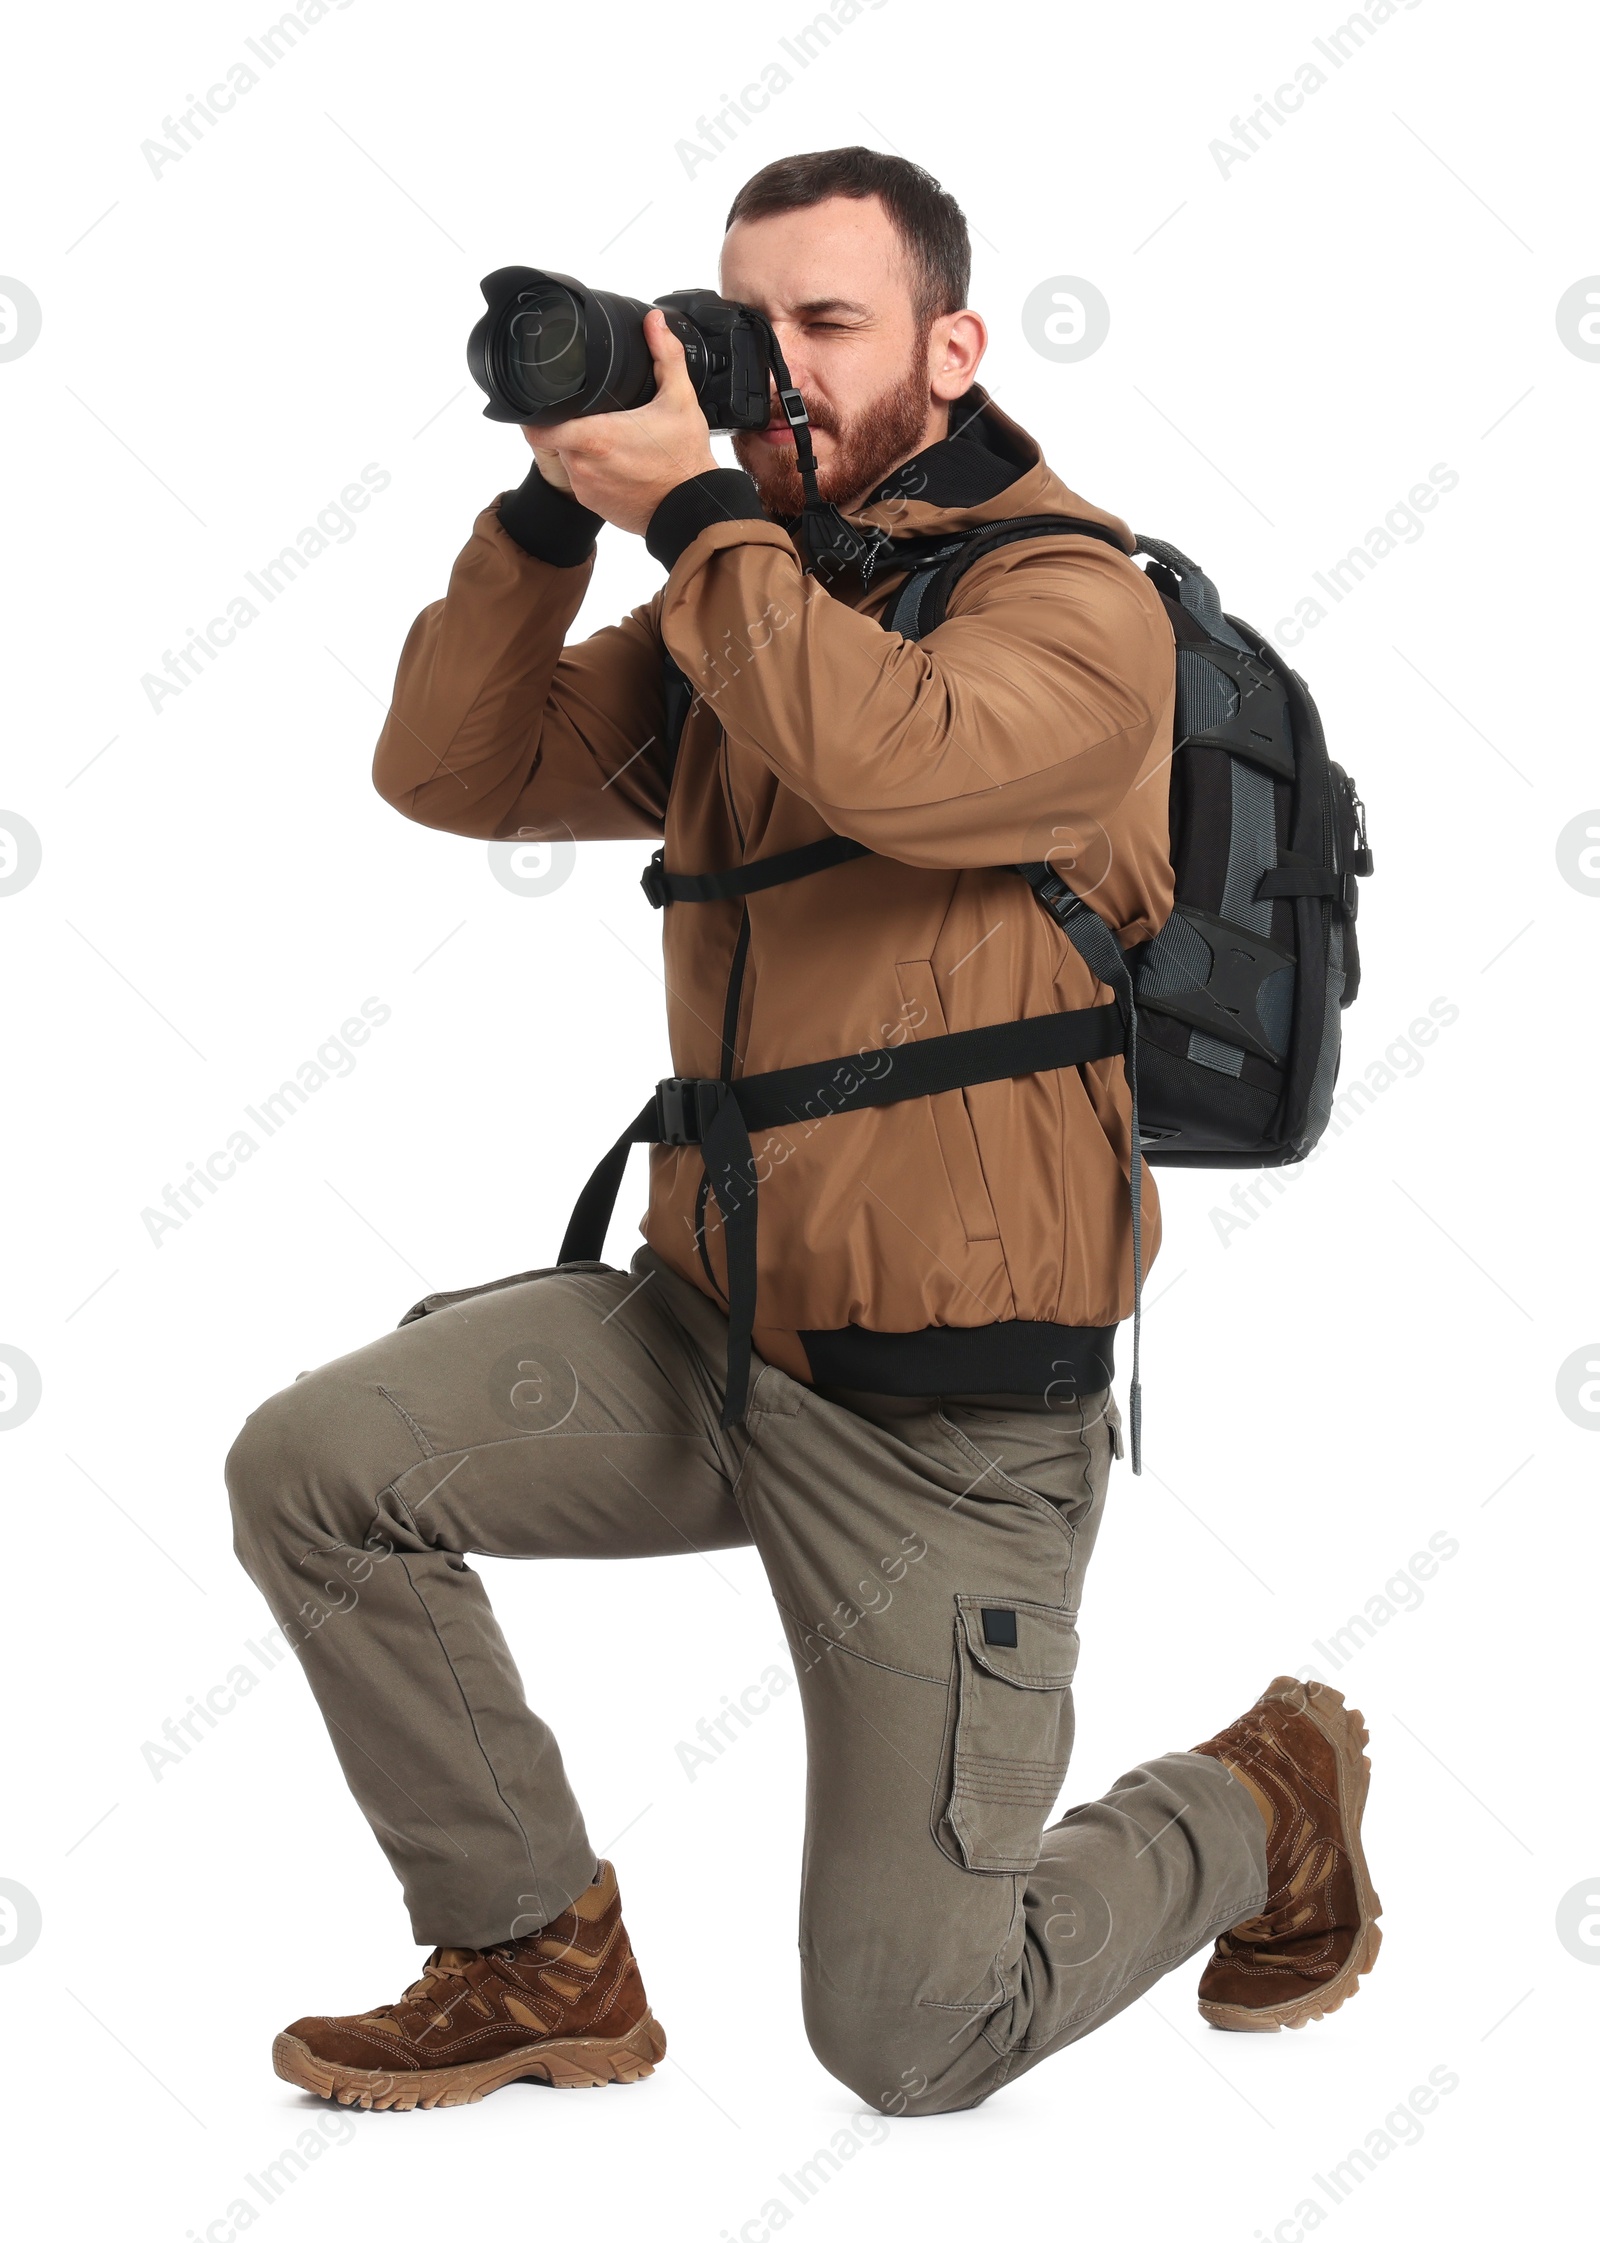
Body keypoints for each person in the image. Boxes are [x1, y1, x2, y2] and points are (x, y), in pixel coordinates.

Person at [226, 146, 1380, 2117]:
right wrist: (546, 505)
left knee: (910, 2036)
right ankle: (529, 1950)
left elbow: (902, 764)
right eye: (748, 329)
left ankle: (1255, 1803)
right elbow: (456, 765)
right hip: (711, 1329)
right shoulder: (745, 590)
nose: (785, 370)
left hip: (941, 1417)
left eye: (827, 326)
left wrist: (689, 513)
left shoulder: (1067, 604)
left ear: (950, 346)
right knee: (315, 1469)